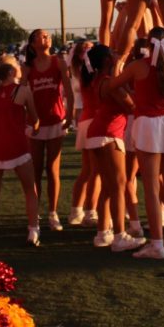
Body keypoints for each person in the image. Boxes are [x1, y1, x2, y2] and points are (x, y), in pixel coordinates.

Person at [108, 27, 164, 260]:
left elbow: (112, 84)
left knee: (152, 188)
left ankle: (157, 244)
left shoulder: (138, 66)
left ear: (147, 43)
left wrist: (132, 97)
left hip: (148, 124)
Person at [0, 57, 41, 248]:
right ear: (11, 73)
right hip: (18, 146)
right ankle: (33, 231)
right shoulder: (23, 91)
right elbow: (35, 119)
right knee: (30, 190)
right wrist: (33, 130)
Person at [83, 43, 143, 251]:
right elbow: (131, 105)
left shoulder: (101, 79)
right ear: (107, 60)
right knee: (118, 185)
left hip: (98, 133)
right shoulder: (109, 81)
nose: (115, 54)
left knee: (108, 187)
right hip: (109, 134)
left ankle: (102, 233)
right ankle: (119, 236)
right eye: (112, 53)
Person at [23, 29, 74, 232]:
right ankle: (35, 213)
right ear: (33, 43)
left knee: (52, 169)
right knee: (35, 169)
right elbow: (23, 96)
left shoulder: (58, 62)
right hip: (35, 123)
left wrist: (69, 116)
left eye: (47, 35)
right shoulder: (27, 67)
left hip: (55, 121)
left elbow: (69, 91)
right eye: (41, 36)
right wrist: (29, 119)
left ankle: (53, 213)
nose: (46, 37)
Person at [67, 42, 101, 227]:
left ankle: (76, 211)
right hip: (93, 120)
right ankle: (90, 212)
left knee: (88, 171)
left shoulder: (81, 72)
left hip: (85, 119)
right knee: (95, 172)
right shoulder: (91, 74)